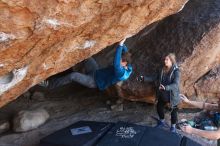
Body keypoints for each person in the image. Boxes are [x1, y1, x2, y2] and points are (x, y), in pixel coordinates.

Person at [39, 37, 133, 91]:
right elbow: (126, 52)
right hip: (96, 72)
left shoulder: (121, 74)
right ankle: (66, 61)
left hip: (93, 82)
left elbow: (116, 64)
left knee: (73, 76)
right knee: (87, 58)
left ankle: (49, 85)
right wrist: (122, 42)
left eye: (120, 60)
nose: (118, 60)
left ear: (124, 63)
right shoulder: (127, 65)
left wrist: (119, 46)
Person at [138, 53, 181, 133]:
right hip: (162, 94)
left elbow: (176, 84)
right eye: (164, 59)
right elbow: (154, 77)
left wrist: (166, 87)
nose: (165, 61)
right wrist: (144, 79)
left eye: (167, 59)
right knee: (159, 107)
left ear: (171, 61)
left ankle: (173, 127)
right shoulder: (162, 69)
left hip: (172, 96)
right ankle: (162, 121)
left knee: (174, 112)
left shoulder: (176, 71)